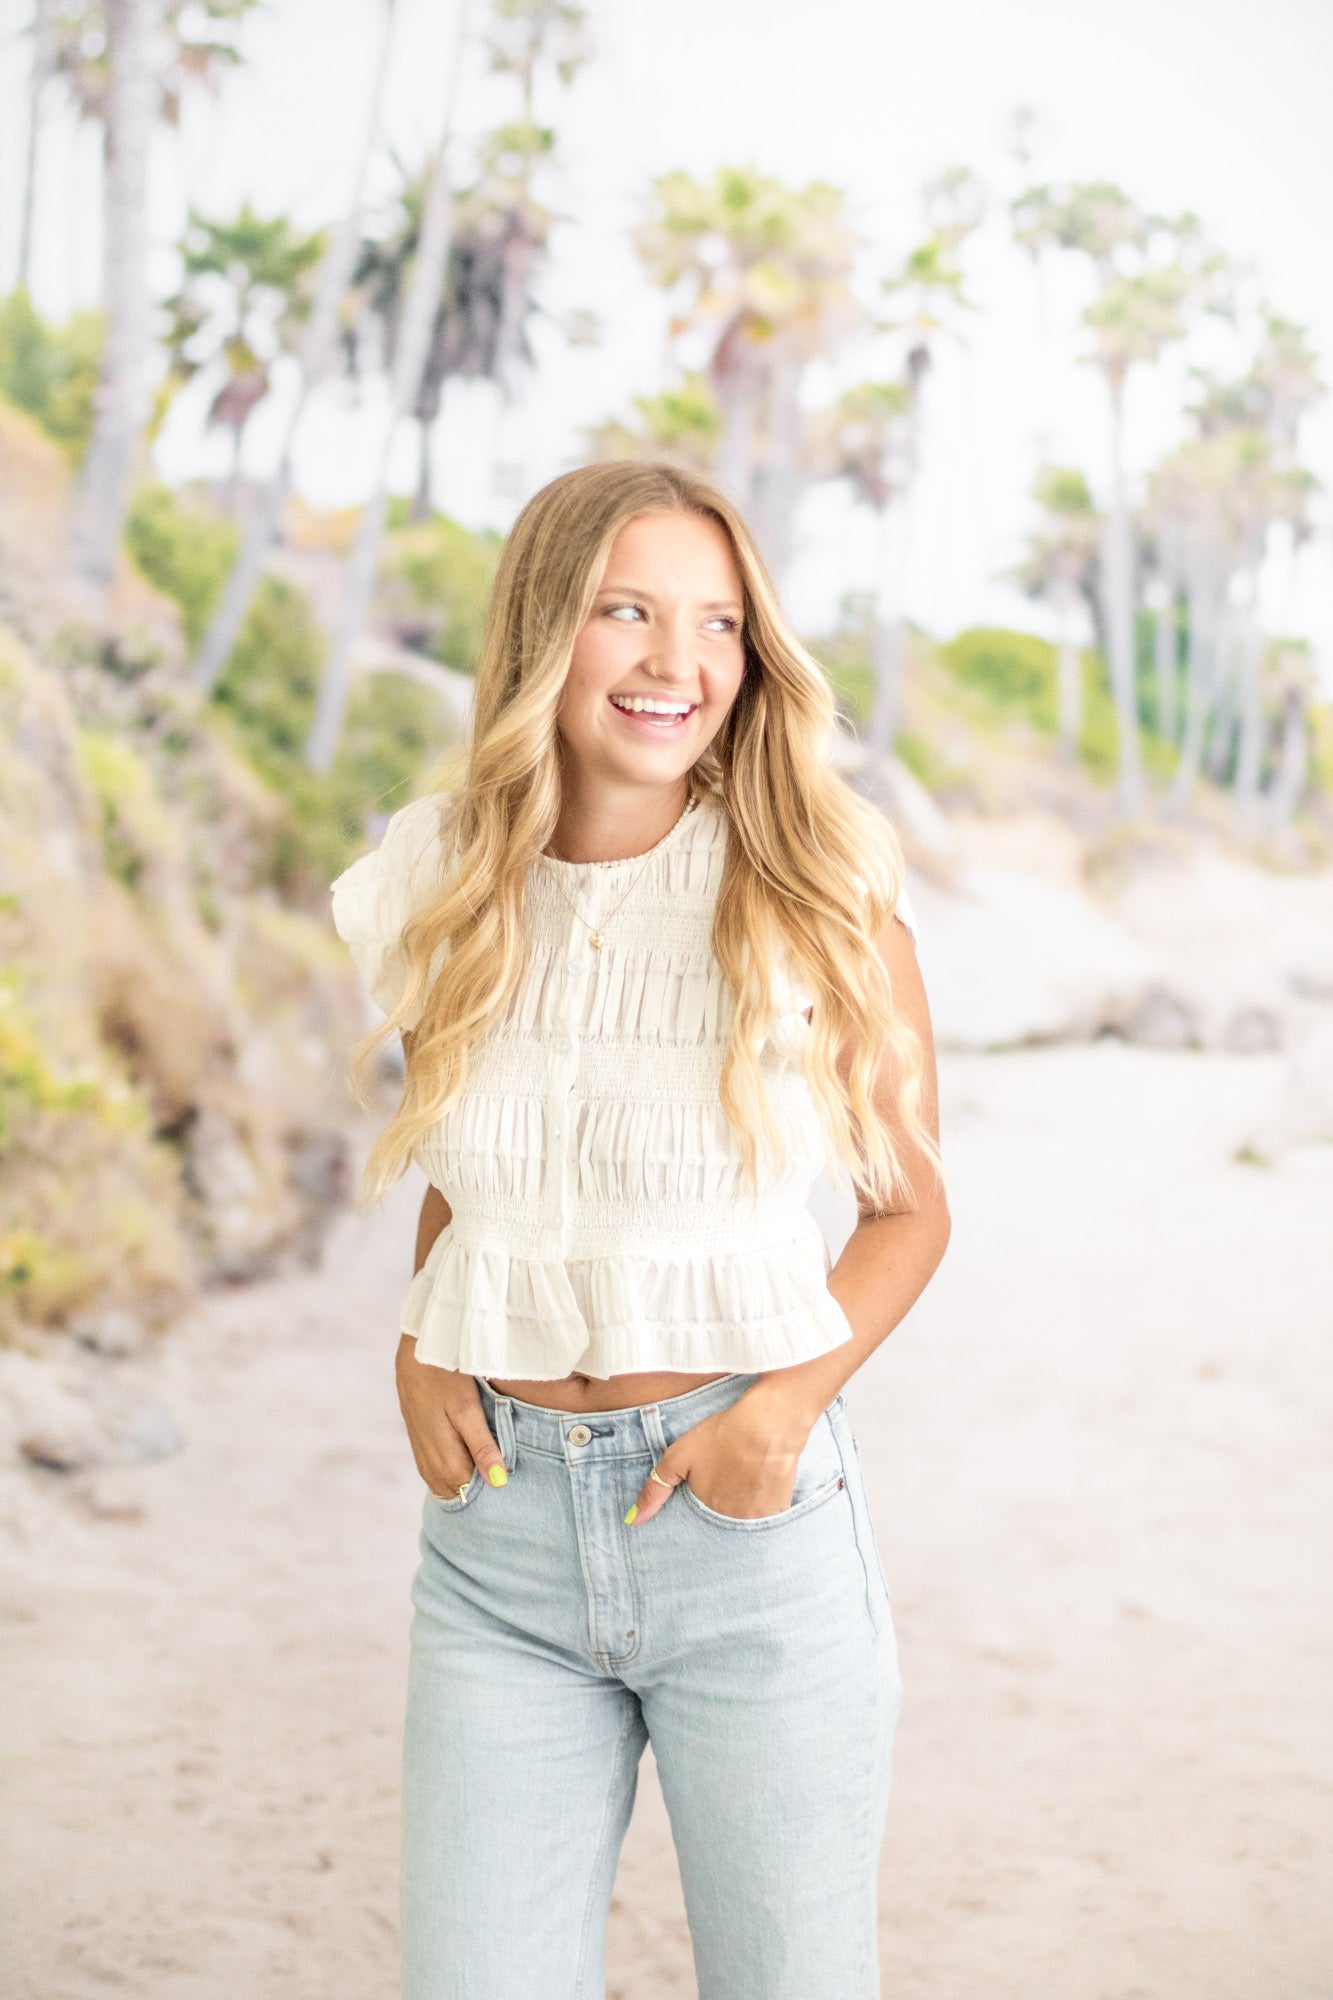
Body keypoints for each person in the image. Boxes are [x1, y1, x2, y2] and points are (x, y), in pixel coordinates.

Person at [329, 459, 950, 2000]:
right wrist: (420, 1346)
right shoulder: (438, 880)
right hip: (496, 1548)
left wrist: (779, 1416)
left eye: (718, 624)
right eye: (628, 612)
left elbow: (908, 1209)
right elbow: (480, 1170)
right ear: (548, 629)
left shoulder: (817, 887)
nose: (679, 664)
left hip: (746, 1527)